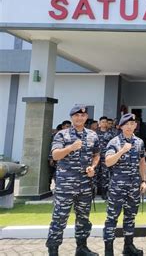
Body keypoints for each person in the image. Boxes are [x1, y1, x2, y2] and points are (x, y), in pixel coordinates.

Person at [46, 105, 100, 256]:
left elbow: (96, 155)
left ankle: (81, 248)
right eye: (76, 115)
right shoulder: (61, 135)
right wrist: (70, 148)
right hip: (65, 185)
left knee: (83, 218)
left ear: (86, 117)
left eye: (82, 116)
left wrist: (93, 167)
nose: (79, 118)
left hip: (85, 184)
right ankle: (53, 250)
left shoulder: (92, 135)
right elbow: (55, 155)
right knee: (59, 218)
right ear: (71, 117)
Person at [103, 113, 146, 255]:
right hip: (117, 186)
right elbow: (108, 161)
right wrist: (122, 151)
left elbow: (142, 161)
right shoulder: (114, 142)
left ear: (135, 125)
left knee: (130, 217)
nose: (129, 126)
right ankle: (108, 249)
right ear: (121, 126)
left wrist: (144, 180)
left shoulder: (139, 142)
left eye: (132, 124)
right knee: (112, 217)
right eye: (126, 124)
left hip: (134, 186)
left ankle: (128, 246)